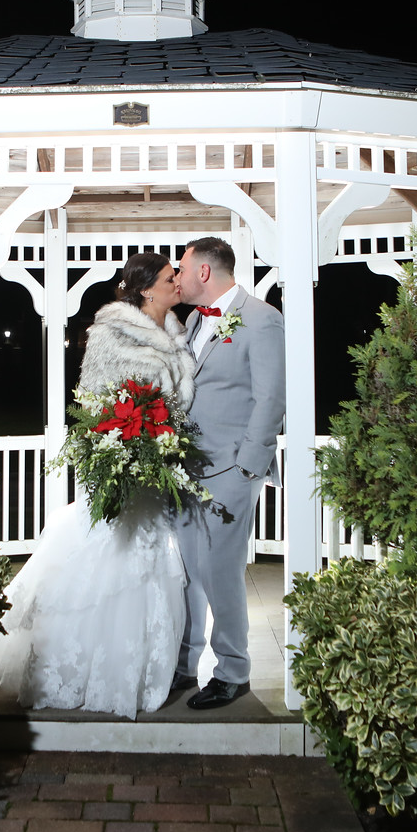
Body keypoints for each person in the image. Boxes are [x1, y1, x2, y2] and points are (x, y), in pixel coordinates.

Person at [0, 252, 195, 719]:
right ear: (146, 289)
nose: (176, 283)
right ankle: (86, 672)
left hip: (157, 468)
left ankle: (144, 670)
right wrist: (127, 441)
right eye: (169, 278)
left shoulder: (179, 333)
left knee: (152, 565)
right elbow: (97, 401)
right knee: (110, 560)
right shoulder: (109, 335)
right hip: (123, 464)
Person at [169, 236, 286, 710]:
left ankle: (233, 672)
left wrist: (247, 468)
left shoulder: (262, 318)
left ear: (203, 272)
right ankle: (185, 666)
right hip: (188, 467)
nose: (176, 276)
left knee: (220, 571)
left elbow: (271, 397)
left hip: (231, 468)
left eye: (181, 268)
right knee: (190, 572)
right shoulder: (195, 320)